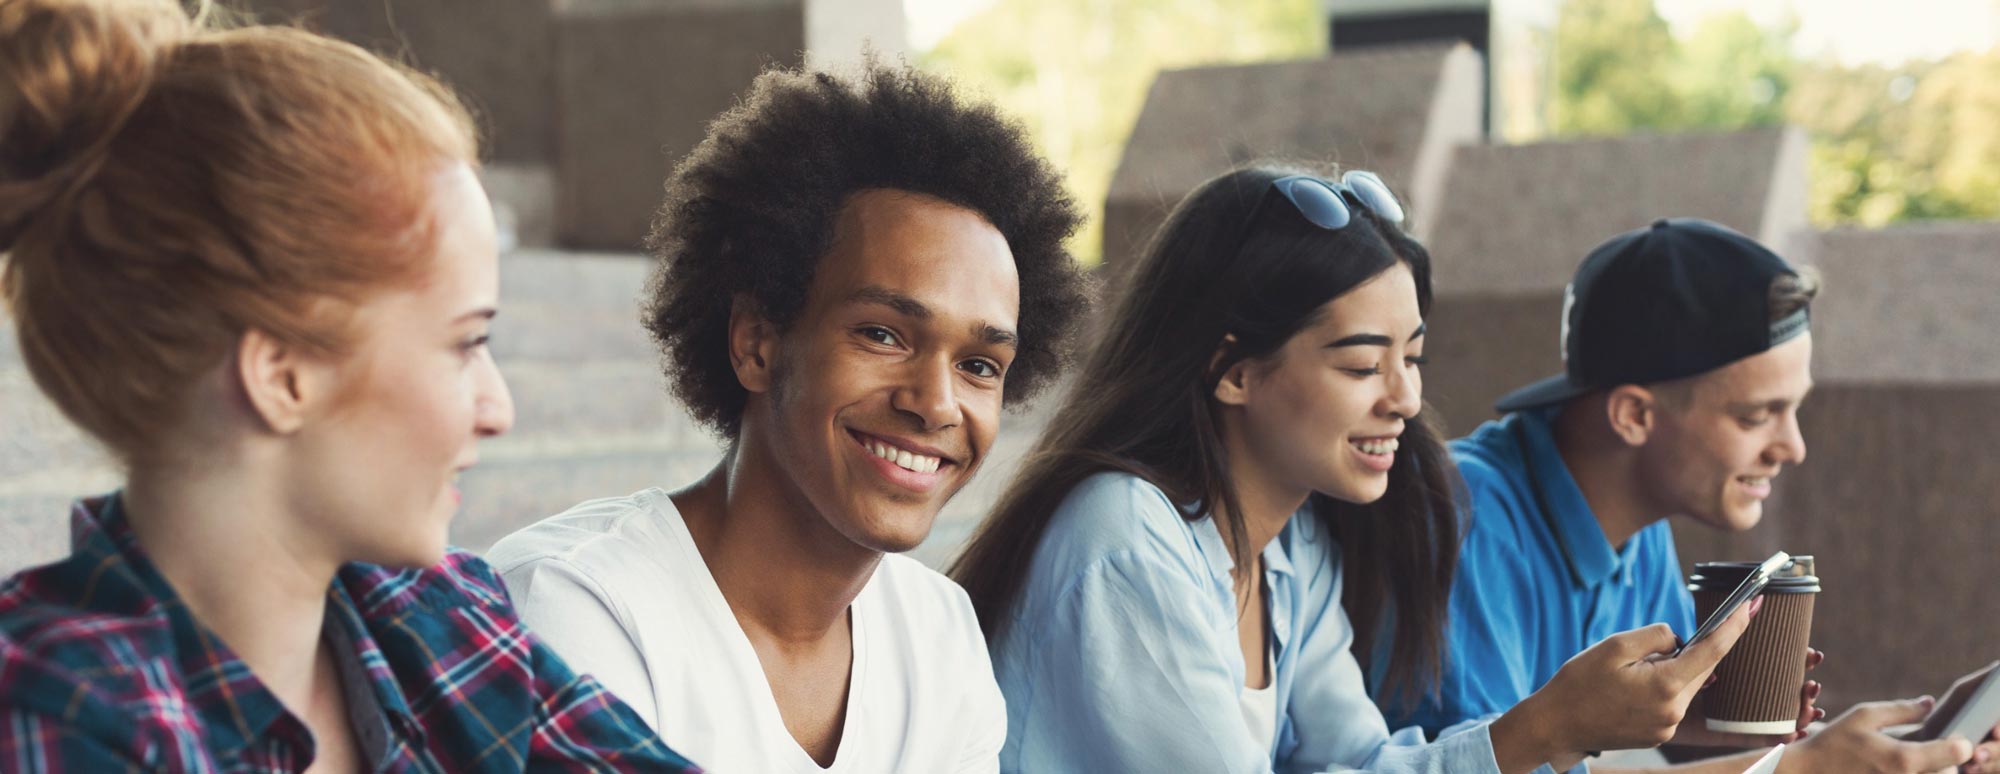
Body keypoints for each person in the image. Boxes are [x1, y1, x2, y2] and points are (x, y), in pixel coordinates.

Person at [0, 1, 699, 771]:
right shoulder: (56, 709)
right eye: (465, 343)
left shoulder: (445, 621)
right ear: (283, 375)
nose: (498, 409)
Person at [951, 165, 1760, 774]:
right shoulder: (1127, 539)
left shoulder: (1290, 550)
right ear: (1233, 369)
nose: (1406, 399)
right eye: (1362, 365)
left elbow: (1365, 761)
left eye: (1412, 358)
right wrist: (1549, 727)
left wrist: (1568, 725)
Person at [482, 59, 1091, 773]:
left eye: (979, 365)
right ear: (757, 344)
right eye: (883, 334)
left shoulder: (940, 631)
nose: (935, 403)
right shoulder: (576, 607)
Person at [1384, 217, 1998, 773]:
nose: (1793, 447)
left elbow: (1662, 736)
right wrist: (1801, 770)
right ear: (1632, 415)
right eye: (1758, 415)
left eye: (1794, 410)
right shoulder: (1465, 520)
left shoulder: (1637, 522)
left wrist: (1915, 743)